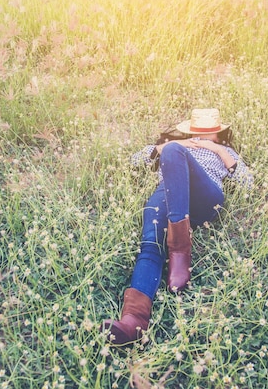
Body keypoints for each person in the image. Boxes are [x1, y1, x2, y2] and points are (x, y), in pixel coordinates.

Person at [100, 108, 253, 345]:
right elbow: (134, 162)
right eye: (197, 133)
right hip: (167, 195)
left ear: (219, 135)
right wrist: (164, 148)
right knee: (150, 245)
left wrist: (219, 151)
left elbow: (247, 183)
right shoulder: (173, 146)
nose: (202, 138)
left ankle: (180, 249)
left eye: (209, 134)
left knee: (173, 150)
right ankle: (133, 322)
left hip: (204, 196)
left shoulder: (224, 151)